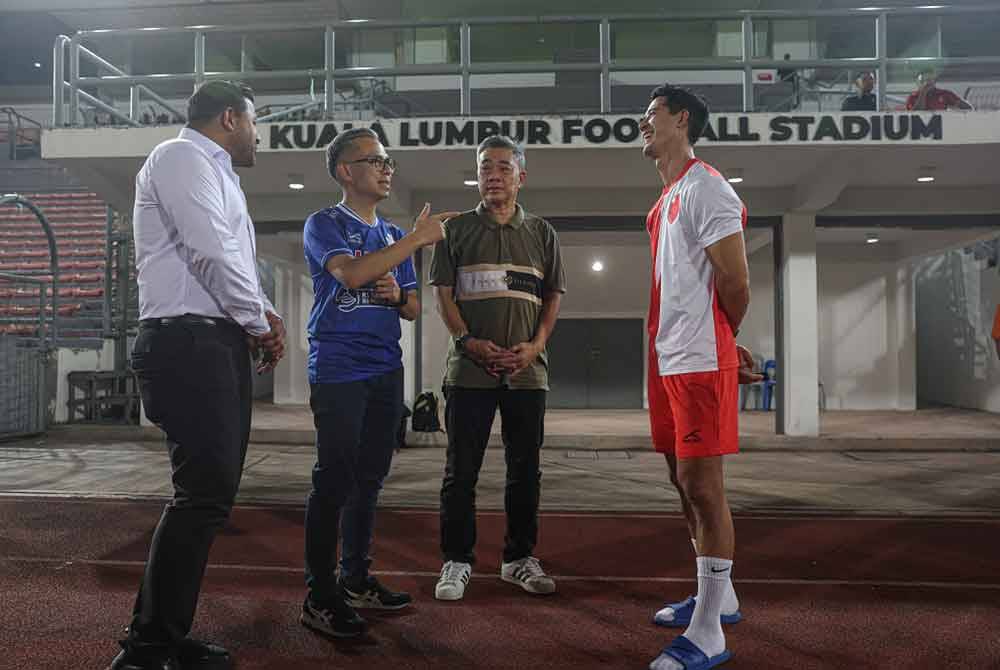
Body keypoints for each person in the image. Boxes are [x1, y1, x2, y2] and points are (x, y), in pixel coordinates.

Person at [113, 80, 286, 670]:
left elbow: (234, 260)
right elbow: (209, 251)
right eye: (255, 123)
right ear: (231, 118)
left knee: (208, 497)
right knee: (201, 497)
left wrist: (263, 314)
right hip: (188, 342)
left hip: (211, 340)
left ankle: (162, 633)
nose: (258, 136)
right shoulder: (181, 156)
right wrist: (258, 322)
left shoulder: (216, 172)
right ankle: (146, 649)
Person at [300, 128, 459, 638]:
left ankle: (355, 579)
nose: (387, 168)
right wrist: (416, 239)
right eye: (376, 160)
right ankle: (319, 595)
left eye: (389, 161)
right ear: (346, 171)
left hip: (385, 368)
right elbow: (349, 275)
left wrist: (396, 296)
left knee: (369, 479)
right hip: (339, 368)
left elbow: (412, 307)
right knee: (334, 480)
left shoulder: (391, 233)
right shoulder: (324, 223)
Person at [638, 83, 763, 670]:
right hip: (666, 355)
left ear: (681, 119)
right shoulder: (665, 200)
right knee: (681, 482)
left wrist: (722, 342)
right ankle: (721, 596)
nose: (643, 124)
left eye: (651, 114)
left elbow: (736, 282)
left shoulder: (707, 186)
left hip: (698, 358)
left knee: (703, 487)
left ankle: (710, 631)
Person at [429, 134, 566, 601]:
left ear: (520, 177)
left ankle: (518, 559)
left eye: (503, 167)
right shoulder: (455, 230)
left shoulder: (542, 233)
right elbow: (443, 295)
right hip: (468, 373)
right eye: (485, 166)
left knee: (524, 471)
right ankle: (456, 560)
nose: (493, 175)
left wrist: (535, 347)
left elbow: (552, 297)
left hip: (528, 372)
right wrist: (468, 342)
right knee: (460, 471)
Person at [905, 69, 973, 111]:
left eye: (929, 80)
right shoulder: (913, 97)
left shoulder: (944, 94)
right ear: (919, 83)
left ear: (934, 81)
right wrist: (923, 93)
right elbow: (915, 115)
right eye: (923, 80)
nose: (926, 83)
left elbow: (967, 107)